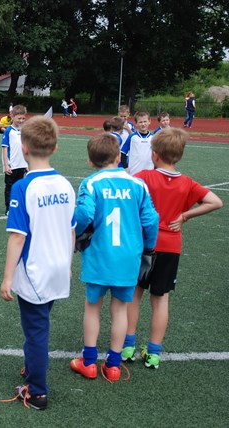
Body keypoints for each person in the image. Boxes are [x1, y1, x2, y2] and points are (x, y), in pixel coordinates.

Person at [123, 128, 223, 369]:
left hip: (144, 245)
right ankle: (154, 353)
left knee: (134, 294)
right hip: (170, 247)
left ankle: (127, 347)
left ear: (154, 154)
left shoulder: (143, 177)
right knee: (161, 299)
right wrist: (185, 215)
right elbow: (216, 202)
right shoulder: (187, 183)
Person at [0, 116, 76, 411]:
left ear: (23, 148)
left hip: (35, 271)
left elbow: (18, 237)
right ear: (55, 148)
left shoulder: (23, 187)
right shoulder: (66, 184)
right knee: (40, 323)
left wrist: (7, 278)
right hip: (58, 267)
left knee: (36, 331)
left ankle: (37, 392)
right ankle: (33, 366)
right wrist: (68, 264)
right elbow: (71, 230)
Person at [70, 133, 159, 382]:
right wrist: (149, 250)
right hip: (128, 257)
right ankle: (113, 365)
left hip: (99, 254)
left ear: (90, 161)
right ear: (119, 156)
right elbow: (151, 220)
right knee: (120, 309)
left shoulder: (91, 183)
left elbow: (84, 214)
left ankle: (89, 362)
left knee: (92, 306)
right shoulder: (138, 184)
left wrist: (78, 235)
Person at [1, 105, 28, 215]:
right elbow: (5, 149)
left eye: (23, 118)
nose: (21, 120)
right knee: (9, 187)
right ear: (13, 117)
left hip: (22, 165)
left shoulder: (24, 131)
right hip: (11, 166)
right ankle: (8, 208)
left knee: (19, 188)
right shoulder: (8, 131)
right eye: (19, 118)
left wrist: (27, 164)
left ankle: (17, 206)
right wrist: (6, 165)